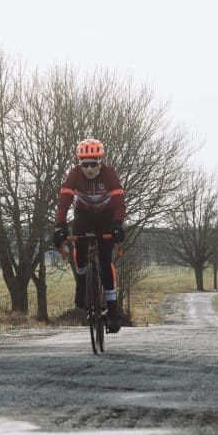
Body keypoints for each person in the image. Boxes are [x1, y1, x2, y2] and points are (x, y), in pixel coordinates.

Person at [53, 138, 126, 333]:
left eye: (93, 164)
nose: (89, 169)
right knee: (81, 248)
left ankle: (112, 308)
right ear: (80, 164)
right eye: (85, 164)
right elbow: (64, 201)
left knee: (104, 259)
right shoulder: (74, 175)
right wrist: (59, 226)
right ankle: (82, 282)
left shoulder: (110, 174)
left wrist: (118, 224)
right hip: (83, 214)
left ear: (100, 162)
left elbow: (119, 202)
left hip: (105, 215)